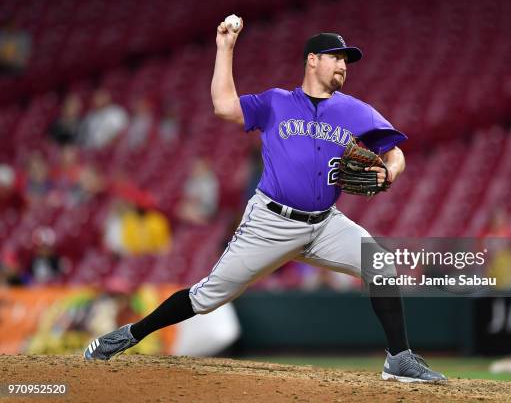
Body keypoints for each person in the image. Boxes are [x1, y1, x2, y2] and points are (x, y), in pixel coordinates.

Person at [84, 19, 446, 383]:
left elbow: (395, 152)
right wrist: (225, 48)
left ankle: (398, 359)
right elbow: (224, 106)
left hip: (324, 223)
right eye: (335, 57)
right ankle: (128, 335)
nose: (342, 65)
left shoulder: (355, 110)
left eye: (346, 61)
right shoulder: (276, 103)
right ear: (312, 61)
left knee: (381, 264)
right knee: (207, 296)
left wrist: (390, 171)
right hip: (270, 223)